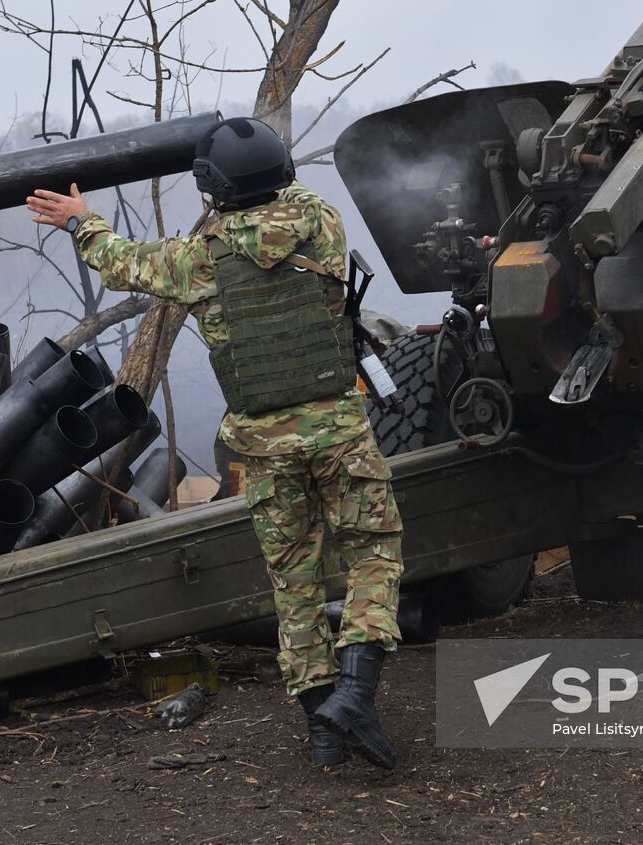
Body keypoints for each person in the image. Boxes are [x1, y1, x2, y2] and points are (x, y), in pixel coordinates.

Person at [26, 117, 403, 770]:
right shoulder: (324, 223)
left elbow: (121, 263)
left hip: (262, 443)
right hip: (339, 429)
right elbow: (293, 199)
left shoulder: (196, 261)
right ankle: (355, 694)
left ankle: (323, 731)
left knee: (294, 582)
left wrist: (80, 220)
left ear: (215, 190)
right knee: (372, 555)